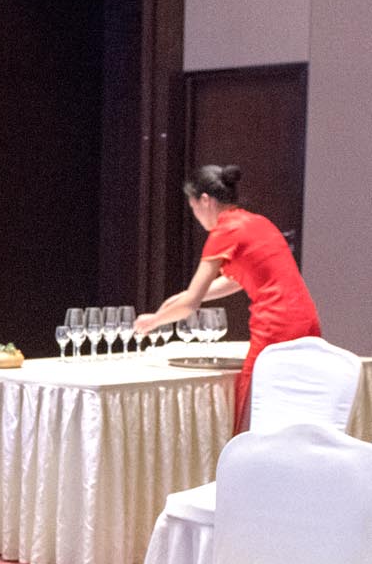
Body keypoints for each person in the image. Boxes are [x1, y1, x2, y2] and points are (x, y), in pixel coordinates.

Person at [134, 164, 321, 431]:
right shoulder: (257, 223)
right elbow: (234, 281)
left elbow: (191, 304)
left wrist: (153, 321)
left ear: (205, 201)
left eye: (194, 208)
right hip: (306, 321)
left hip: (276, 326)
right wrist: (183, 297)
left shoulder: (225, 232)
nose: (197, 217)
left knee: (254, 415)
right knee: (296, 411)